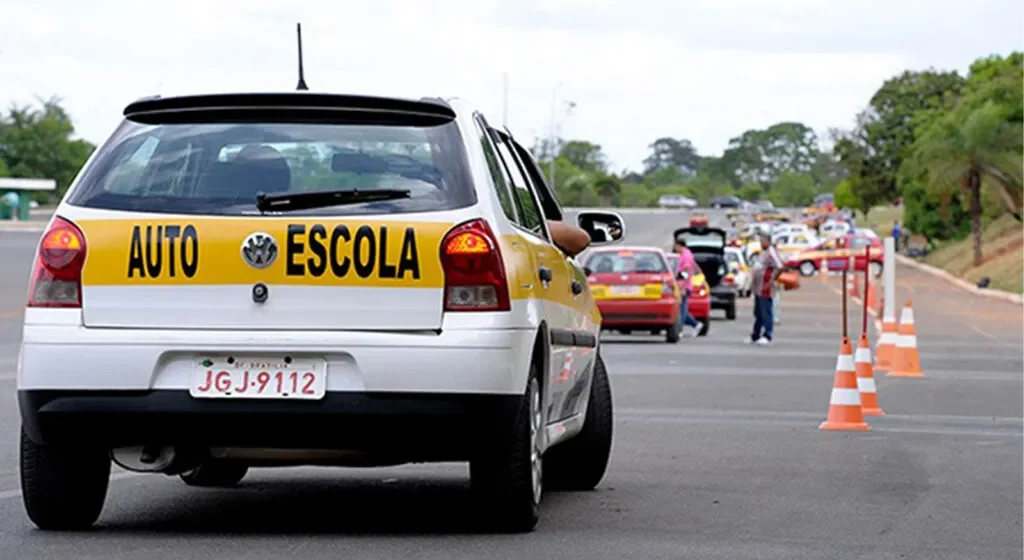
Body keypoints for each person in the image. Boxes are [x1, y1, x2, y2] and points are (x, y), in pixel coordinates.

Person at [748, 229, 784, 345]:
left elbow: (780, 266)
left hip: (765, 287)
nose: (760, 243)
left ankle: (767, 335)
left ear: (768, 241)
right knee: (758, 313)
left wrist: (772, 280)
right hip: (758, 288)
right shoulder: (763, 252)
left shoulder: (771, 252)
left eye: (762, 240)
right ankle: (755, 335)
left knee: (766, 312)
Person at [673, 236, 705, 337]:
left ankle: (680, 329)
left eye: (676, 246)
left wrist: (683, 287)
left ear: (679, 245)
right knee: (681, 309)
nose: (675, 248)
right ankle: (695, 324)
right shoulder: (683, 254)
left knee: (682, 309)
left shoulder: (686, 255)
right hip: (679, 285)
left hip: (684, 286)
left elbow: (687, 272)